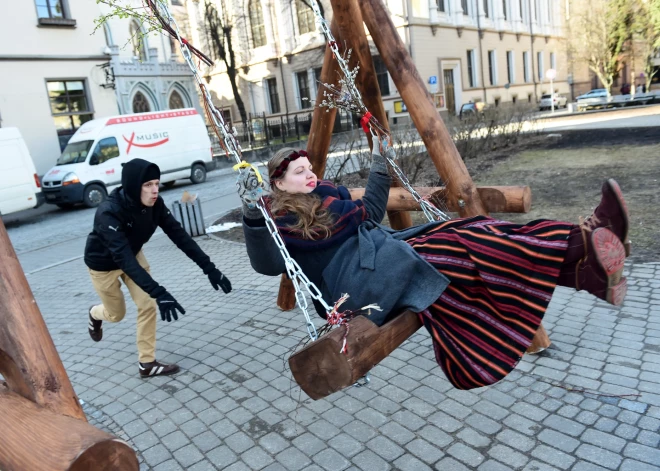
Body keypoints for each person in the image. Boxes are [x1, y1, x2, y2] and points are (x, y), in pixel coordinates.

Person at [239, 142, 630, 390]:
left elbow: (371, 213)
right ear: (278, 184)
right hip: (355, 286)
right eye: (299, 172)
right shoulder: (280, 219)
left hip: (379, 259)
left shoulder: (331, 198)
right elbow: (267, 263)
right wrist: (252, 217)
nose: (310, 174)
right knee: (455, 244)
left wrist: (380, 164)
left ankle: (584, 264)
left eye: (310, 168)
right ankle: (582, 245)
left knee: (468, 229)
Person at [85, 158, 232, 377]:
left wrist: (209, 268)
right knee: (116, 315)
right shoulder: (108, 212)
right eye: (148, 185)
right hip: (104, 265)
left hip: (132, 255)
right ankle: (94, 314)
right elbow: (123, 258)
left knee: (147, 305)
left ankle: (147, 363)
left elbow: (179, 235)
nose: (155, 190)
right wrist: (159, 291)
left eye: (156, 183)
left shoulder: (156, 205)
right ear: (134, 186)